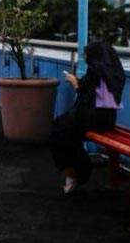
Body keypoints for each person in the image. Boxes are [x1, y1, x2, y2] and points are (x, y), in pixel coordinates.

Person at [50, 41, 125, 194]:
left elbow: (84, 93)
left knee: (59, 131)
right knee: (69, 133)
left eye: (86, 55)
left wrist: (74, 81)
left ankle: (75, 173)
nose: (85, 57)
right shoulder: (116, 72)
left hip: (91, 119)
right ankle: (77, 172)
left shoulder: (95, 69)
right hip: (108, 120)